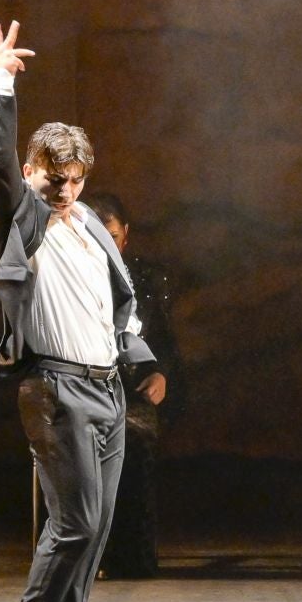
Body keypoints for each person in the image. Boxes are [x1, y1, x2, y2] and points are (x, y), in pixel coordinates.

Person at [0, 19, 153, 602]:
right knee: (74, 522)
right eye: (53, 180)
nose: (65, 192)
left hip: (106, 390)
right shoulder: (22, 218)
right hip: (53, 390)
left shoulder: (86, 225)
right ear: (32, 175)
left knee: (96, 529)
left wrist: (131, 355)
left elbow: (118, 300)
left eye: (75, 181)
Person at [85, 191, 179, 578]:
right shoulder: (70, 277)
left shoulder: (146, 280)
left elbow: (166, 345)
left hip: (132, 392)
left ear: (125, 234)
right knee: (86, 444)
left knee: (133, 440)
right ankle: (92, 557)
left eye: (112, 235)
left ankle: (133, 556)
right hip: (83, 388)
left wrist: (161, 374)